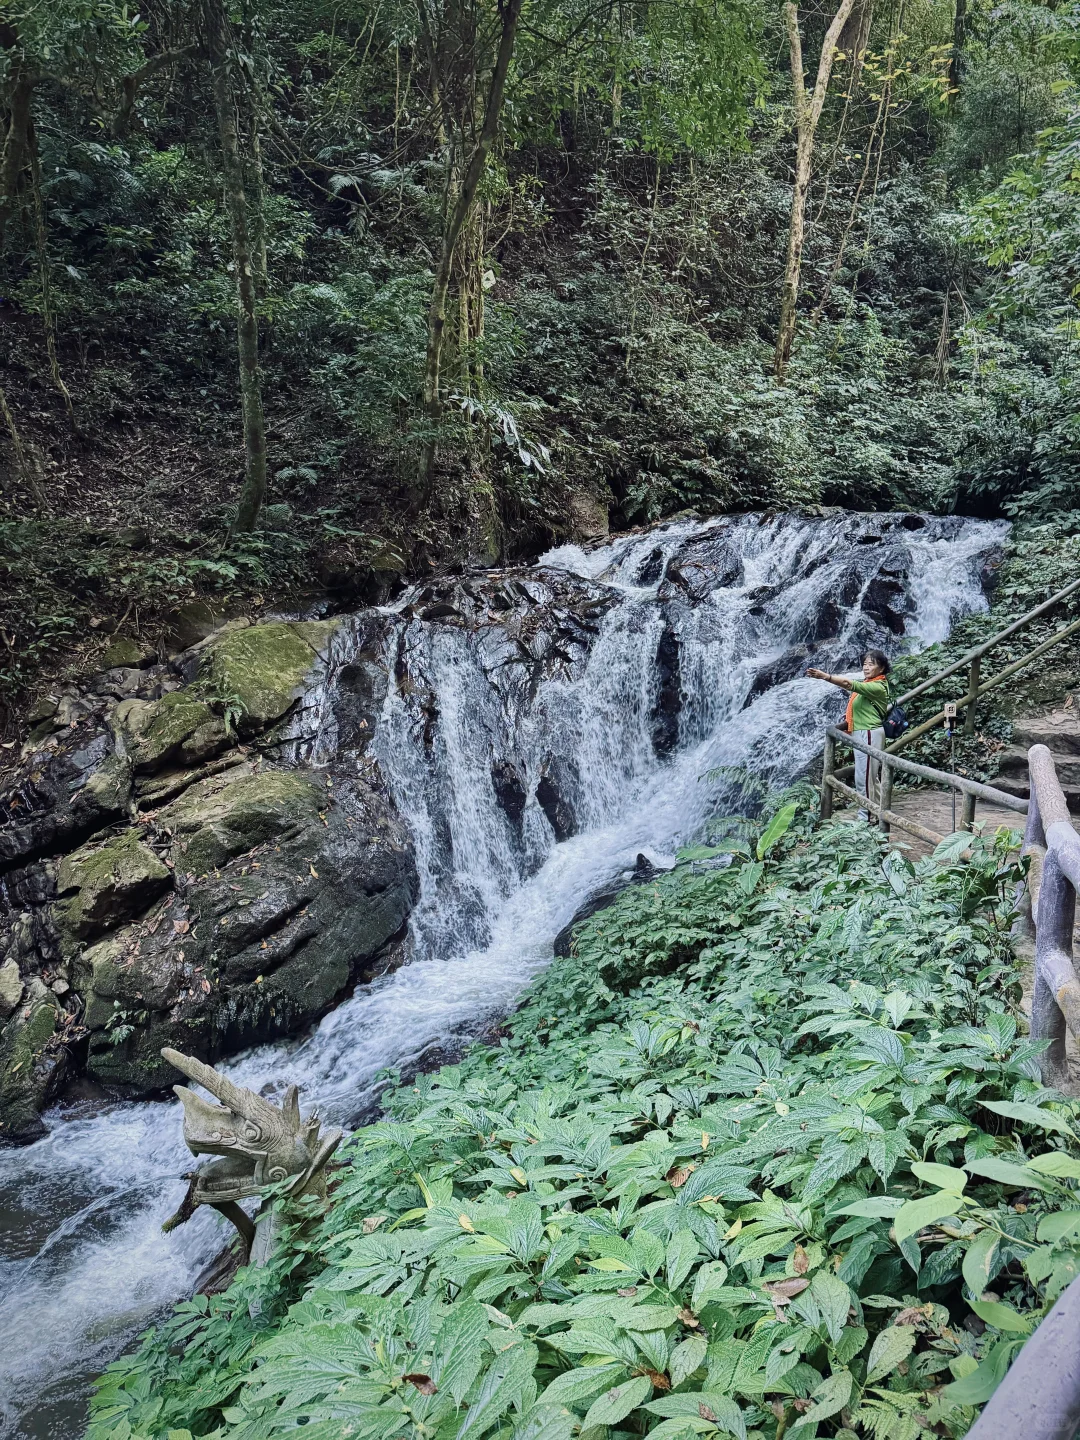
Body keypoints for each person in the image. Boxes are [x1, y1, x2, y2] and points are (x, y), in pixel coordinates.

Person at [807, 650, 892, 820]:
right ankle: (877, 811)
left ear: (881, 668)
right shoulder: (869, 683)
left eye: (871, 664)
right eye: (865, 664)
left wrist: (826, 676)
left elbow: (847, 683)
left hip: (868, 733)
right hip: (863, 733)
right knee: (869, 777)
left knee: (864, 778)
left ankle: (866, 817)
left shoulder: (877, 686)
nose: (866, 667)